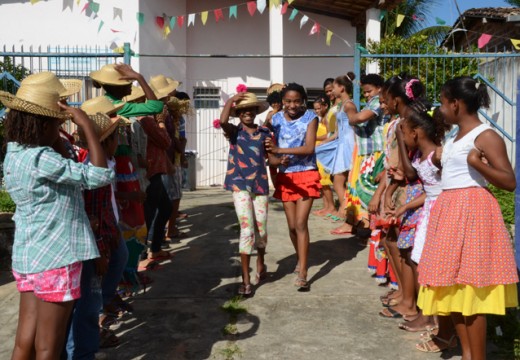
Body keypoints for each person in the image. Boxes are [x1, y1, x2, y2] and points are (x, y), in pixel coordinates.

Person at [0, 84, 114, 360]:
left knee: (24, 341)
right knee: (49, 346)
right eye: (56, 124)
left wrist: (55, 136)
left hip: (29, 257)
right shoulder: (42, 158)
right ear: (43, 125)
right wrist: (87, 126)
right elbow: (99, 175)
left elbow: (65, 162)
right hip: (57, 257)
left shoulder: (15, 153)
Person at [417, 77, 519, 358]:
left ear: (455, 104)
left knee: (471, 292)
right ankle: (468, 354)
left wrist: (476, 163)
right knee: (454, 291)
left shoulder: (485, 136)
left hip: (472, 212)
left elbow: (509, 181)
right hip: (450, 212)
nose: (439, 107)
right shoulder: (454, 136)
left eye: (442, 101)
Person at [67, 100, 125, 357]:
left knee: (87, 305)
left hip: (98, 243)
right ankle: (82, 352)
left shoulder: (96, 163)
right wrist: (100, 250)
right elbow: (93, 214)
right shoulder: (93, 170)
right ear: (106, 142)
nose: (119, 143)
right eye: (115, 138)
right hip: (92, 248)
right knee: (86, 307)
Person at [265, 83, 321, 291]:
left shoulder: (311, 118)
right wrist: (274, 158)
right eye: (288, 101)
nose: (292, 105)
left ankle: (304, 271)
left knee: (300, 223)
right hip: (286, 176)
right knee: (290, 226)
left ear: (303, 101)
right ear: (282, 102)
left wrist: (280, 149)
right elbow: (266, 140)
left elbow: (309, 147)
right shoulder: (275, 119)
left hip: (306, 173)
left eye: (297, 101)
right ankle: (301, 257)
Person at [220, 92, 276, 296]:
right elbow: (223, 120)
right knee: (247, 229)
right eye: (242, 110)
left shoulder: (264, 133)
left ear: (255, 112)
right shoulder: (234, 132)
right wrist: (230, 100)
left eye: (250, 109)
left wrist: (284, 158)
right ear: (239, 113)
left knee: (262, 229)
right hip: (239, 184)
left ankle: (261, 264)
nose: (247, 113)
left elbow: (272, 159)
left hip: (260, 185)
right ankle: (245, 280)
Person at [342, 74, 385, 234]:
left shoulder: (377, 102)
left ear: (379, 89)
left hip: (375, 151)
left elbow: (358, 118)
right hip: (367, 151)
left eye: (369, 91)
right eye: (364, 92)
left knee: (368, 188)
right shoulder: (372, 101)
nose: (366, 95)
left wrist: (350, 111)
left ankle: (372, 227)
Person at [315, 73, 356, 229]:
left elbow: (353, 124)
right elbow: (338, 132)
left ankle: (345, 212)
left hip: (348, 145)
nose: (332, 91)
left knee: (339, 181)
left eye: (335, 87)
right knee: (338, 180)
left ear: (342, 88)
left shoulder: (349, 105)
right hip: (341, 143)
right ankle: (345, 211)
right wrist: (325, 142)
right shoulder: (342, 105)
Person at [312, 94, 335, 217]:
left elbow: (329, 135)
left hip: (324, 152)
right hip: (319, 152)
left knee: (325, 182)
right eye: (315, 109)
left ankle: (331, 206)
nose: (317, 111)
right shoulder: (320, 119)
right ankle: (326, 206)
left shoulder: (327, 119)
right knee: (322, 182)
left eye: (318, 108)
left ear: (325, 106)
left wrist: (314, 137)